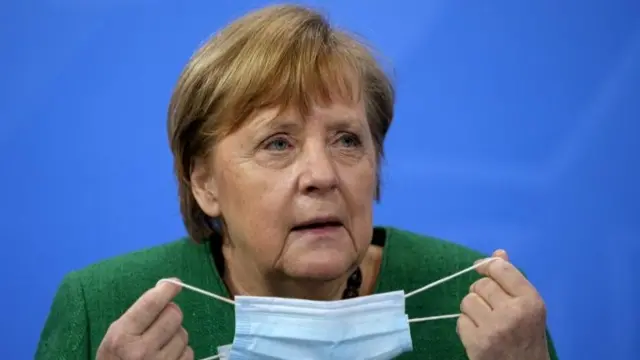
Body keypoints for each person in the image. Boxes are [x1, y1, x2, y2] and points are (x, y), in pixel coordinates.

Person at [35, 4, 559, 360]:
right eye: (278, 144)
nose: (323, 176)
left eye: (347, 140)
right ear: (204, 182)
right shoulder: (104, 309)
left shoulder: (480, 299)